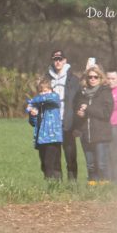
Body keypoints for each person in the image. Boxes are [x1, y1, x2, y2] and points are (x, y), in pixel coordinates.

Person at [72, 66, 114, 184]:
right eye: (90, 77)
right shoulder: (82, 93)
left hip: (101, 135)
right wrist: (79, 114)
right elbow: (76, 108)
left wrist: (88, 109)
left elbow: (106, 113)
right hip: (86, 135)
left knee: (101, 164)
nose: (92, 79)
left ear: (100, 78)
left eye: (96, 77)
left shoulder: (105, 92)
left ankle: (105, 188)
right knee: (90, 165)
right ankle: (92, 189)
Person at [46, 50, 79, 181]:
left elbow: (77, 101)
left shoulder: (73, 79)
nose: (58, 62)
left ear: (65, 60)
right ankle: (57, 184)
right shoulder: (47, 78)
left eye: (60, 59)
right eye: (55, 59)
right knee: (55, 155)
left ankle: (72, 184)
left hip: (68, 123)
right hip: (53, 123)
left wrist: (76, 123)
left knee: (70, 155)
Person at [27, 77, 63, 180]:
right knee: (44, 164)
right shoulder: (39, 105)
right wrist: (33, 115)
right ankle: (51, 184)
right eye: (41, 91)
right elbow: (33, 123)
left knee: (50, 164)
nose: (43, 94)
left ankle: (54, 185)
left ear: (51, 90)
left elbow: (48, 97)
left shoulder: (54, 98)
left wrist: (33, 100)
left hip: (52, 138)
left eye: (46, 91)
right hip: (41, 138)